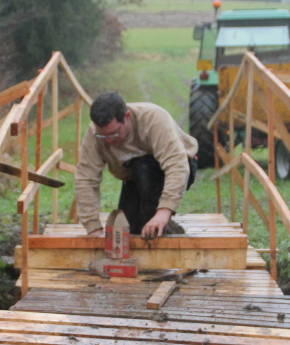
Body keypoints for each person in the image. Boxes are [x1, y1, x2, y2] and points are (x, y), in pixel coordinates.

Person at [75, 91, 198, 238]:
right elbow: (86, 179)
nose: (109, 140)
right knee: (129, 230)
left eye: (114, 133)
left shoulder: (153, 119)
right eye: (103, 135)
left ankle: (164, 227)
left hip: (181, 168)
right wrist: (93, 228)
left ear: (127, 116)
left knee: (144, 167)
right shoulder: (94, 134)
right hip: (136, 178)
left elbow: (176, 165)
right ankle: (166, 227)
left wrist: (164, 212)